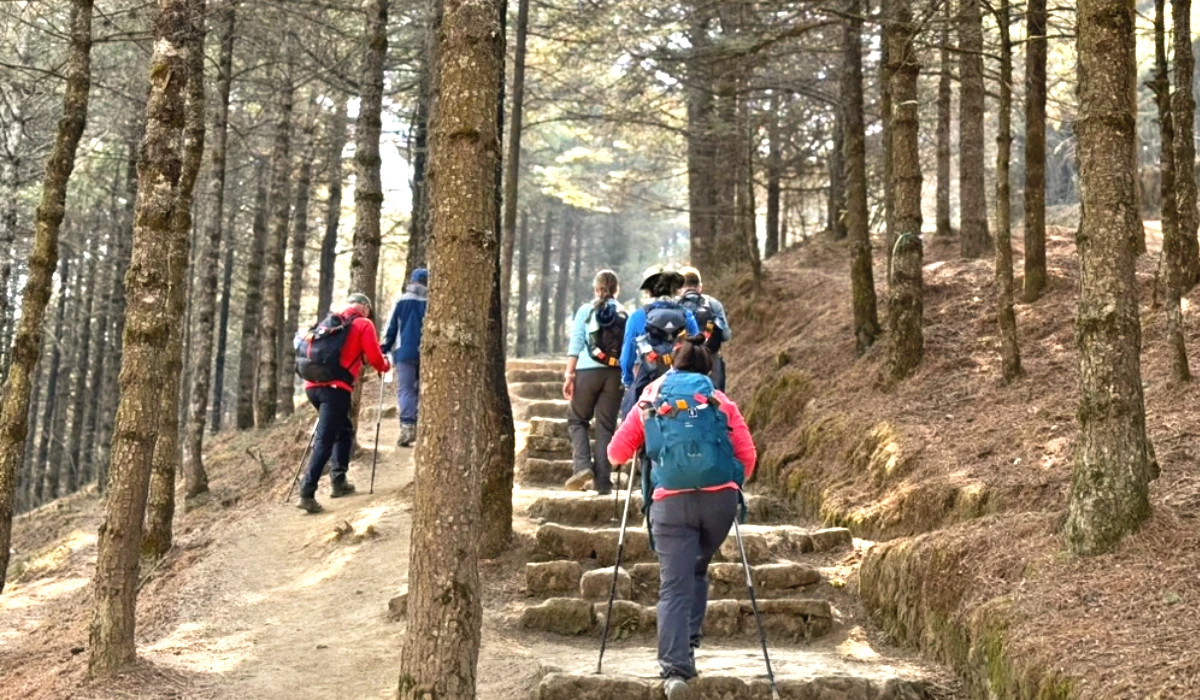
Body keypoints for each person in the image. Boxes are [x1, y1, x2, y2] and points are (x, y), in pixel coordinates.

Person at [607, 336, 756, 699]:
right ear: (709, 370)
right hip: (719, 503)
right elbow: (747, 457)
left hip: (670, 503)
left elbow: (614, 454)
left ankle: (676, 670)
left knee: (674, 584)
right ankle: (689, 643)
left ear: (673, 366)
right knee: (697, 569)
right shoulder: (718, 400)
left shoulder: (652, 397)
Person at [297, 293, 391, 514]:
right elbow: (375, 358)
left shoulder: (331, 322)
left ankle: (339, 480)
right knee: (325, 439)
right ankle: (307, 492)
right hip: (335, 389)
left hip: (312, 386)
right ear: (365, 308)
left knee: (343, 429)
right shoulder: (362, 324)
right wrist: (385, 366)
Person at [562, 270, 627, 495]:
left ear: (596, 289)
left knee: (577, 418)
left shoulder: (585, 310)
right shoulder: (623, 312)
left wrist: (569, 375)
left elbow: (577, 344)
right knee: (606, 427)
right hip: (614, 374)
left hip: (587, 373)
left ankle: (582, 466)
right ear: (616, 290)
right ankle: (603, 482)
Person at [619, 265, 700, 420]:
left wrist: (628, 381)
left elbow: (627, 358)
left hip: (647, 383)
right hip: (679, 384)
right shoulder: (687, 315)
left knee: (632, 422)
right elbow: (697, 349)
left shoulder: (637, 317)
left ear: (649, 292)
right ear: (675, 290)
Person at [381, 268, 429, 447]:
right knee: (425, 389)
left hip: (404, 352)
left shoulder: (401, 301)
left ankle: (408, 427)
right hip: (428, 353)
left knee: (406, 389)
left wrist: (384, 348)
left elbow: (391, 328)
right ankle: (426, 428)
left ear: (413, 281)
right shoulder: (433, 301)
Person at [676, 266, 731, 391]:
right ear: (699, 287)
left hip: (681, 362)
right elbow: (726, 335)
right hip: (710, 361)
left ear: (680, 289)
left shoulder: (674, 306)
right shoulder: (714, 304)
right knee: (714, 400)